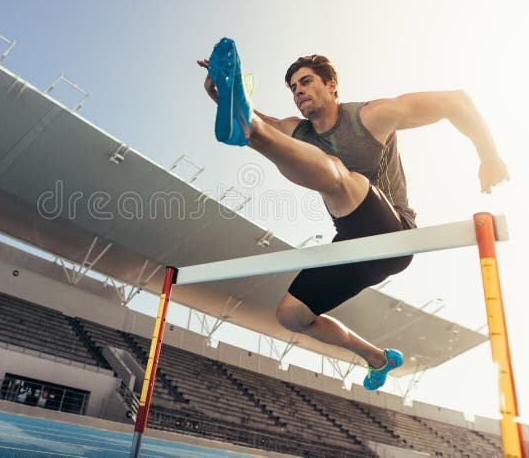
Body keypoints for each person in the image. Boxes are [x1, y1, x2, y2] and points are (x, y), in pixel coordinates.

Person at [198, 48, 509, 390]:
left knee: (341, 177)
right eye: (292, 88)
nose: (298, 91)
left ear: (332, 85)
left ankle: (250, 134)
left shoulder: (371, 117)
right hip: (351, 243)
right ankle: (377, 358)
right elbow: (249, 111)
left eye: (306, 81)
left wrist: (489, 157)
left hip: (394, 236)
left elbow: (456, 101)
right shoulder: (295, 130)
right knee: (291, 316)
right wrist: (218, 92)